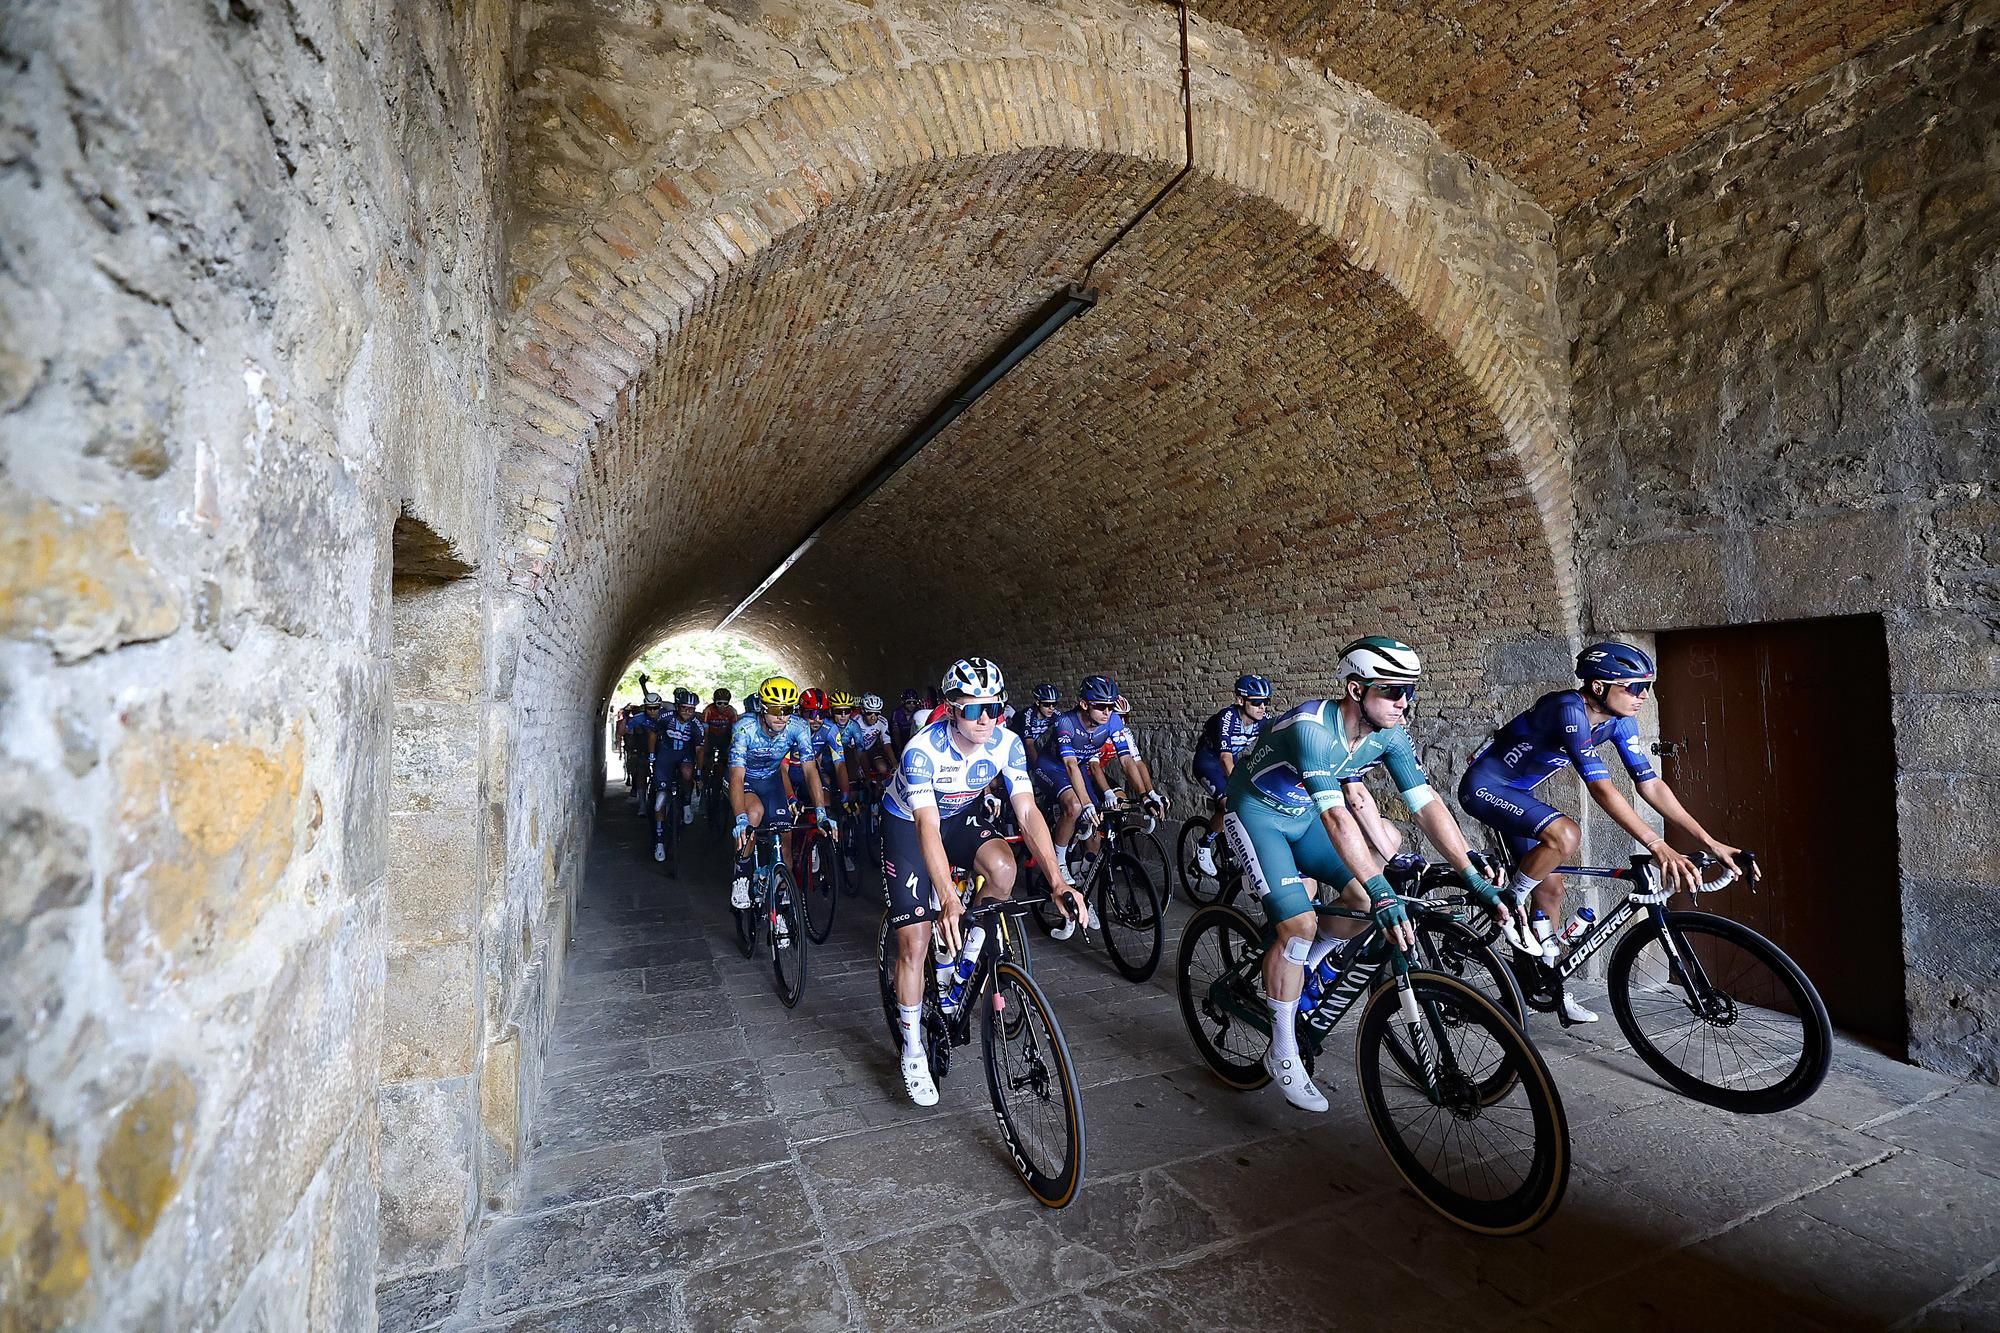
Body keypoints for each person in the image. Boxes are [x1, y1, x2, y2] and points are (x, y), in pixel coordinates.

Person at [1225, 636, 1510, 1112]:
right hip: (1256, 813)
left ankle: (1307, 969)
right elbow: (1338, 819)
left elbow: (1426, 804)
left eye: (1410, 692)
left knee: (1357, 900)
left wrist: (1471, 871)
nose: (1404, 702)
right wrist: (1382, 888)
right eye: (1393, 691)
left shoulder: (1391, 733)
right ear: (1356, 690)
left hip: (1301, 816)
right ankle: (1282, 1048)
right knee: (1298, 929)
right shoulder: (1312, 729)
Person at [1457, 640, 1748, 1024]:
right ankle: (1510, 902)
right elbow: (1601, 788)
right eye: (1633, 687)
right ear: (1598, 687)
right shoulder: (1568, 710)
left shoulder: (1619, 720)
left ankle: (1548, 984)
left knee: (1552, 889)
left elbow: (1650, 784)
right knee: (1566, 835)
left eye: (1647, 686)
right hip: (1485, 788)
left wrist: (1709, 841)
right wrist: (1657, 845)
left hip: (1518, 792)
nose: (1643, 696)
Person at [881, 657, 1086, 1106]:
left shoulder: (1007, 743)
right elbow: (927, 828)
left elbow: (1028, 812)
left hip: (960, 815)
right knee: (914, 944)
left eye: (994, 708)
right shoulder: (922, 750)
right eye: (974, 710)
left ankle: (965, 961)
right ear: (952, 709)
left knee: (1005, 869)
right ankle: (913, 1048)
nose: (986, 719)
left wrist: (1057, 880)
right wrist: (948, 898)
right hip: (911, 825)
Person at [728, 677, 836, 918]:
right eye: (775, 709)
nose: (781, 716)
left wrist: (820, 812)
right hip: (745, 779)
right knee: (754, 815)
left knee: (785, 838)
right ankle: (742, 874)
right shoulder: (745, 728)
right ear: (763, 708)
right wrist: (740, 819)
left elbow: (810, 769)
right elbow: (736, 776)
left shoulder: (798, 726)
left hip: (771, 781)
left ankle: (782, 901)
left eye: (787, 710)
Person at [1032, 675, 1163, 873]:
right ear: (1084, 704)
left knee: (1098, 816)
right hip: (1053, 767)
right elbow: (1070, 765)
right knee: (1075, 807)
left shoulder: (1113, 720)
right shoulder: (1065, 722)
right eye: (1101, 706)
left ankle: (1085, 868)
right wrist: (1085, 804)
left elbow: (1127, 761)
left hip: (1079, 767)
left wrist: (1145, 796)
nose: (1107, 712)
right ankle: (1057, 865)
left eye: (1110, 706)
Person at [1189, 674, 1273, 876]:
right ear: (1240, 700)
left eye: (1266, 702)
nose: (1262, 707)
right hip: (1208, 763)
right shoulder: (1227, 718)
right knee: (1227, 803)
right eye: (1256, 702)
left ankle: (1229, 845)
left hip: (1231, 762)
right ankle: (1204, 844)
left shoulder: (1263, 721)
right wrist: (1239, 787)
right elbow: (1225, 758)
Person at [649, 688, 704, 860]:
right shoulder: (666, 718)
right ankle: (659, 841)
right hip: (665, 754)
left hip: (685, 755)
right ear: (677, 707)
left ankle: (686, 802)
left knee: (687, 773)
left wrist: (699, 772)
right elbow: (652, 733)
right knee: (660, 798)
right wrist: (652, 754)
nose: (688, 712)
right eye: (684, 708)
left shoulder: (697, 724)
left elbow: (700, 749)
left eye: (691, 709)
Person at [1015, 683, 1062, 767]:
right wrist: (1038, 768)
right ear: (1037, 702)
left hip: (1041, 748)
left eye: (1054, 704)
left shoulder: (1055, 714)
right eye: (1046, 704)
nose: (1051, 708)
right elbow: (1029, 744)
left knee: (1061, 727)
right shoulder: (1028, 714)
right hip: (1020, 749)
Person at [700, 688, 739, 782]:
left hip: (725, 736)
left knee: (726, 756)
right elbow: (705, 730)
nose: (722, 706)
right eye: (719, 703)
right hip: (710, 735)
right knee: (706, 754)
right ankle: (704, 775)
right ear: (714, 701)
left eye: (725, 703)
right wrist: (706, 745)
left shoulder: (731, 711)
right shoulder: (708, 710)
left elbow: (734, 730)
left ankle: (723, 777)